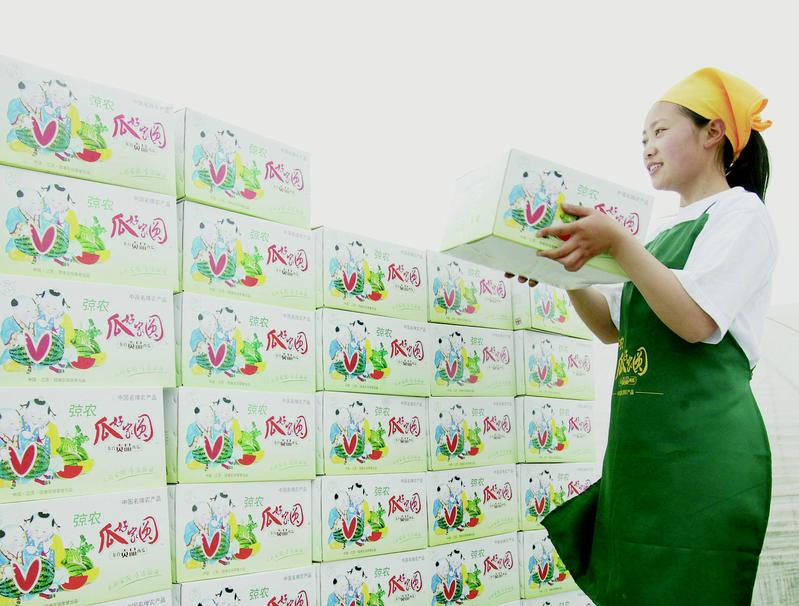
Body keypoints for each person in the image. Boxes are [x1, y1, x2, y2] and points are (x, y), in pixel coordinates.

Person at [517, 67, 777, 604]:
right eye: (642, 139)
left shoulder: (741, 214)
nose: (647, 148)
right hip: (640, 458)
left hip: (701, 457)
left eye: (659, 132)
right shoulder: (656, 235)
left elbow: (696, 320)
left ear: (712, 133)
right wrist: (565, 268)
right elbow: (609, 327)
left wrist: (618, 243)